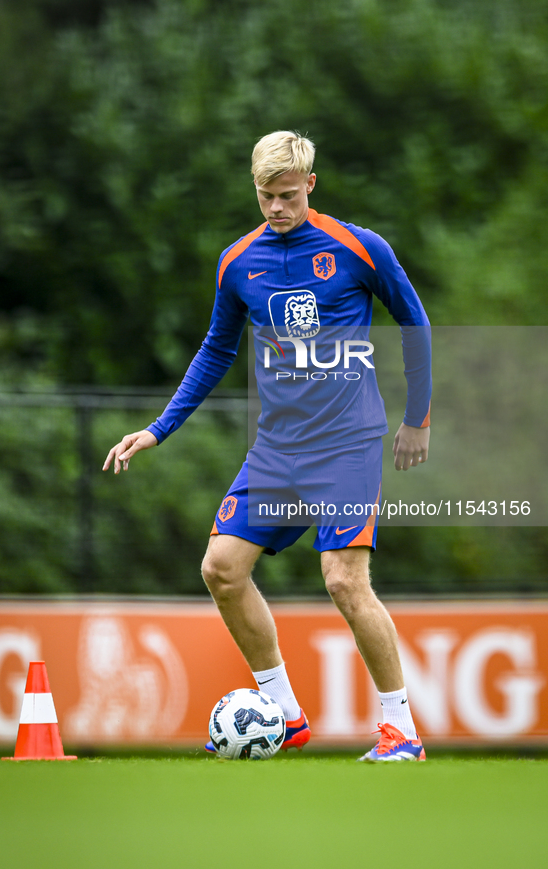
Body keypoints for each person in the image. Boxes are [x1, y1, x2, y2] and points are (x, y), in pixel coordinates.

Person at [103, 131, 431, 762]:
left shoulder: (359, 248)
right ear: (253, 188)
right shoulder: (237, 262)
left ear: (311, 184)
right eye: (265, 196)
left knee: (343, 581)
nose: (276, 207)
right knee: (220, 569)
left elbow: (414, 324)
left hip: (347, 444)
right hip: (277, 450)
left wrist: (417, 419)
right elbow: (215, 350)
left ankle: (401, 732)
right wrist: (156, 429)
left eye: (287, 195)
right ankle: (283, 713)